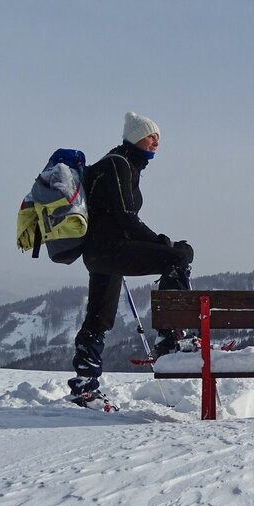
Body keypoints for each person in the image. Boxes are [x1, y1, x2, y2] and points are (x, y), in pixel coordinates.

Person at [67, 112, 195, 406]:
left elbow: (120, 217)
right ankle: (172, 336)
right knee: (178, 257)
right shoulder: (118, 164)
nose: (156, 143)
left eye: (158, 139)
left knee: (99, 318)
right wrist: (164, 243)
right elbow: (127, 218)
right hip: (111, 250)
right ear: (135, 137)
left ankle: (84, 386)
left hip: (100, 253)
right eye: (151, 136)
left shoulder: (117, 164)